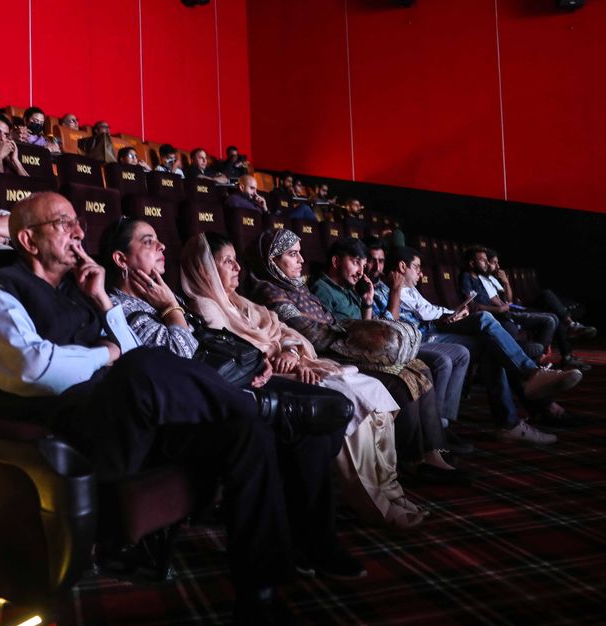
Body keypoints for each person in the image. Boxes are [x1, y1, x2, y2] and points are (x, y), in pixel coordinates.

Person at [0, 193, 348, 626]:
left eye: (78, 222)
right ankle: (258, 404)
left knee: (246, 434)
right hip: (77, 438)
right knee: (141, 367)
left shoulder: (83, 292)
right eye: (64, 223)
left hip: (136, 421)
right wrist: (105, 352)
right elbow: (33, 368)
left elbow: (136, 351)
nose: (80, 233)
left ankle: (259, 604)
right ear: (27, 239)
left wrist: (104, 302)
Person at [102, 217, 364, 580]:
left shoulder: (165, 295)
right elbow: (183, 355)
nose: (163, 247)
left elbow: (212, 344)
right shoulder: (122, 307)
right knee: (311, 423)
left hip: (229, 382)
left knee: (325, 414)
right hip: (197, 402)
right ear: (121, 260)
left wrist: (256, 361)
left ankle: (309, 538)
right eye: (148, 242)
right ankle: (310, 542)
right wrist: (170, 309)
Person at [182, 231, 429, 528]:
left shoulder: (238, 300)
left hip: (298, 362)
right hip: (269, 377)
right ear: (205, 268)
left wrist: (291, 350)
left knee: (374, 392)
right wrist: (284, 356)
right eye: (227, 262)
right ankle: (373, 502)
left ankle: (390, 488)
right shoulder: (208, 307)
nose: (237, 268)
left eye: (236, 261)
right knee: (348, 403)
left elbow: (283, 331)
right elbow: (239, 353)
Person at [252, 229, 467, 484]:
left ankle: (432, 450)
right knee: (399, 380)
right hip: (326, 354)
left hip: (341, 345)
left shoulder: (299, 288)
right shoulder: (270, 290)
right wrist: (357, 337)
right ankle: (412, 459)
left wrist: (361, 328)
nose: (301, 260)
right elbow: (307, 331)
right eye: (292, 254)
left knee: (418, 367)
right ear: (272, 259)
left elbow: (333, 324)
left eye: (300, 253)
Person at [377, 247, 583, 443]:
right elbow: (392, 328)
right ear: (403, 267)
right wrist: (446, 315)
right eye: (417, 267)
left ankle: (518, 413)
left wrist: (452, 314)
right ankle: (527, 390)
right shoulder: (384, 290)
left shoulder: (411, 290)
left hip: (436, 328)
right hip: (425, 336)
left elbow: (430, 309)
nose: (421, 273)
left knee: (490, 339)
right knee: (485, 322)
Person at [365, 242, 473, 454]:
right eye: (371, 260)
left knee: (462, 352)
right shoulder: (377, 289)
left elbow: (424, 312)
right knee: (444, 360)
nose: (376, 266)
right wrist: (395, 291)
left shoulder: (391, 287)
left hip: (416, 335)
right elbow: (388, 328)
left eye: (380, 261)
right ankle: (434, 432)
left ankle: (441, 423)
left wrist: (447, 316)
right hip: (397, 344)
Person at [465, 247, 590, 373]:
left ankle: (541, 359)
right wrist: (501, 307)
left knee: (552, 314)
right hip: (505, 313)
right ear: (472, 263)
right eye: (490, 262)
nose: (494, 265)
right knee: (549, 312)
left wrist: (506, 283)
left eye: (489, 261)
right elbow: (476, 304)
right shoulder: (472, 278)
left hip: (510, 309)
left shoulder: (488, 279)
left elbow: (507, 300)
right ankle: (537, 363)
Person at [488, 250, 597, 342]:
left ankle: (570, 326)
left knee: (546, 294)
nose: (498, 266)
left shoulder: (493, 279)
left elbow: (508, 299)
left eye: (498, 263)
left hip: (516, 305)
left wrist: (506, 282)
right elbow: (507, 302)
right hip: (510, 311)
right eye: (494, 263)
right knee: (553, 315)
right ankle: (569, 334)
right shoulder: (481, 280)